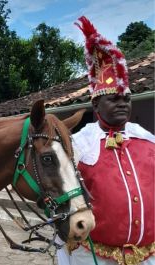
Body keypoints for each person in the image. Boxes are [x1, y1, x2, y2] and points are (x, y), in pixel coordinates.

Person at [57, 17, 155, 265]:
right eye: (114, 99)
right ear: (95, 104)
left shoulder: (148, 139)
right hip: (92, 256)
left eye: (126, 99)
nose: (123, 104)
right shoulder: (78, 145)